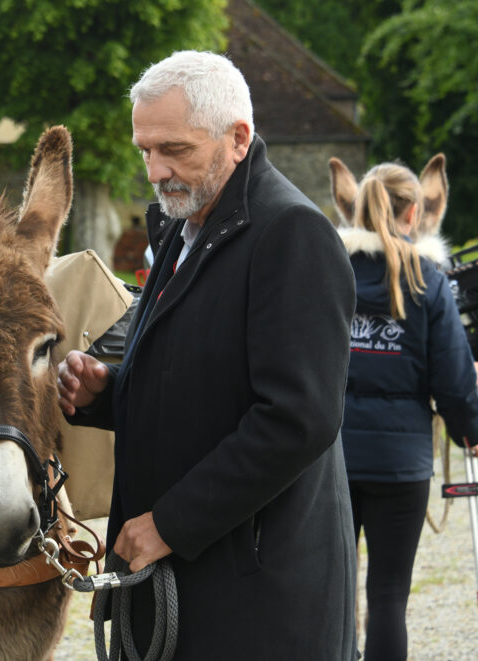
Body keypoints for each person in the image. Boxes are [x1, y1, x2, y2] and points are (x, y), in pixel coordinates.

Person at [57, 50, 358, 659]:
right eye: (145, 150)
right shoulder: (182, 225)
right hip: (183, 579)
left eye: (175, 149)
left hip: (257, 595)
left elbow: (298, 419)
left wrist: (173, 523)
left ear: (238, 138)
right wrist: (107, 393)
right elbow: (203, 382)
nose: (155, 169)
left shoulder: (292, 234)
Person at [336, 160, 478, 660]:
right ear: (414, 211)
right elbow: (455, 380)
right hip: (402, 463)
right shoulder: (430, 281)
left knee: (335, 595)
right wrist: (470, 431)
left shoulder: (330, 270)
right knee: (390, 596)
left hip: (333, 459)